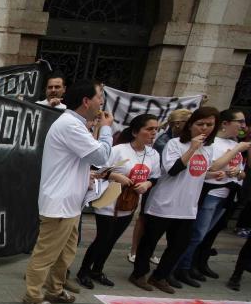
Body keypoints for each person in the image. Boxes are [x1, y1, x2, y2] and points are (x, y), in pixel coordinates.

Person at [129, 107, 251, 293]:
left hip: (187, 206)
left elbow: (198, 173)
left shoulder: (208, 148)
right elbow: (173, 170)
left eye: (209, 124)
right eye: (200, 124)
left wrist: (212, 174)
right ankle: (139, 274)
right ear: (190, 125)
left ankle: (160, 276)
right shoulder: (175, 144)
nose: (204, 128)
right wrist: (192, 148)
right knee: (150, 241)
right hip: (165, 203)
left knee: (179, 245)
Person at [22, 81, 114, 304]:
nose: (102, 102)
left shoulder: (77, 125)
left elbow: (81, 161)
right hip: (59, 204)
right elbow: (102, 155)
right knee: (45, 255)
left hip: (71, 203)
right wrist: (105, 129)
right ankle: (33, 296)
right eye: (99, 97)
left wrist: (89, 175)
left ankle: (55, 289)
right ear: (86, 101)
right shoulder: (70, 125)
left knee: (65, 254)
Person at [76, 115, 159, 288]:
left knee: (112, 240)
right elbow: (96, 169)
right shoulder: (118, 150)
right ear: (136, 132)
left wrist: (147, 183)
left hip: (129, 205)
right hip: (109, 203)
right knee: (102, 238)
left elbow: (155, 177)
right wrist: (116, 176)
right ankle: (83, 271)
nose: (153, 133)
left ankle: (97, 270)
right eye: (149, 129)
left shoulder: (153, 154)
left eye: (155, 129)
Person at [172, 108, 247, 286]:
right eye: (240, 122)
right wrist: (237, 149)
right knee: (197, 234)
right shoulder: (216, 144)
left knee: (204, 235)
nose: (243, 126)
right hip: (211, 194)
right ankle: (179, 267)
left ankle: (190, 265)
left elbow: (242, 173)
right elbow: (213, 168)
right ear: (226, 123)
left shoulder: (234, 142)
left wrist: (238, 172)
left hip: (227, 194)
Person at [127, 109, 193, 265]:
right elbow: (170, 168)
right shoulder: (164, 142)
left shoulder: (181, 141)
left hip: (162, 186)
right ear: (178, 124)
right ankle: (135, 251)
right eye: (188, 122)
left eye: (155, 129)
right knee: (144, 218)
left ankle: (145, 252)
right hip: (156, 186)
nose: (191, 126)